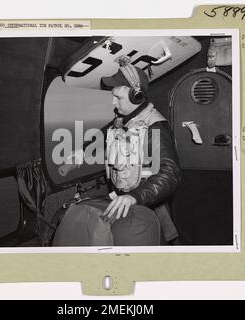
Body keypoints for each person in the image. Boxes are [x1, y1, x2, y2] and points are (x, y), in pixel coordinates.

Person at [57, 58, 181, 246]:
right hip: (121, 199)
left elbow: (170, 173)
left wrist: (135, 196)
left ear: (137, 96)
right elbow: (101, 135)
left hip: (147, 205)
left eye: (119, 98)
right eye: (113, 96)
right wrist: (81, 152)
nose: (113, 103)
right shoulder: (123, 119)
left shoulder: (155, 128)